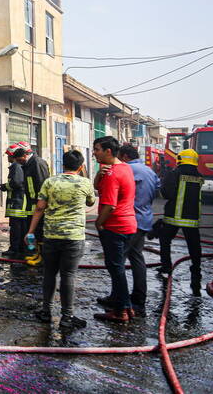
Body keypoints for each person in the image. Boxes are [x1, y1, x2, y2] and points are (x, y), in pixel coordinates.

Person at [28, 150, 95, 330]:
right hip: (73, 237)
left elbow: (40, 208)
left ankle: (46, 312)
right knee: (68, 275)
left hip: (51, 235)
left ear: (62, 164)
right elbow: (90, 202)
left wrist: (31, 231)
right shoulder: (85, 183)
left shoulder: (50, 182)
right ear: (81, 167)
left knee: (49, 273)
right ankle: (67, 317)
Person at [97, 144, 160, 315]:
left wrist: (99, 222)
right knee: (137, 259)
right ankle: (138, 299)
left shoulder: (121, 170)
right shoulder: (149, 171)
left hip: (123, 222)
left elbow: (108, 198)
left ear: (123, 156)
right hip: (143, 220)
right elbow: (157, 192)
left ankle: (121, 303)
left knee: (116, 265)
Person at [92, 136, 137, 323]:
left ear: (108, 151)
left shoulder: (113, 174)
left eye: (97, 149)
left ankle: (121, 311)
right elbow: (97, 188)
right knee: (116, 267)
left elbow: (110, 205)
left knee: (116, 269)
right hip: (127, 225)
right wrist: (99, 174)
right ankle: (124, 305)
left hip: (115, 227)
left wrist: (99, 223)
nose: (94, 152)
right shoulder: (123, 168)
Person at [158, 148, 204, 296]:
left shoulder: (175, 173)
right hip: (192, 219)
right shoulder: (199, 176)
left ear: (180, 159)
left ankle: (166, 267)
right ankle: (196, 273)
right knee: (194, 247)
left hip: (174, 216)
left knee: (165, 240)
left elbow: (167, 193)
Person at [16, 142, 50, 266]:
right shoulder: (28, 164)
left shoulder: (37, 163)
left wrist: (41, 204)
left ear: (25, 156)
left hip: (39, 204)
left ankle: (42, 258)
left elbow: (42, 185)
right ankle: (37, 254)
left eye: (19, 160)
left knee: (40, 231)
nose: (18, 163)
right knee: (35, 232)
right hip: (32, 203)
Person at [1, 143, 27, 258]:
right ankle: (20, 249)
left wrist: (5, 186)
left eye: (8, 155)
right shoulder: (18, 166)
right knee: (19, 227)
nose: (7, 157)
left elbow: (16, 183)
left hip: (17, 203)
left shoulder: (16, 166)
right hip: (18, 202)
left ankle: (14, 249)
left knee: (16, 228)